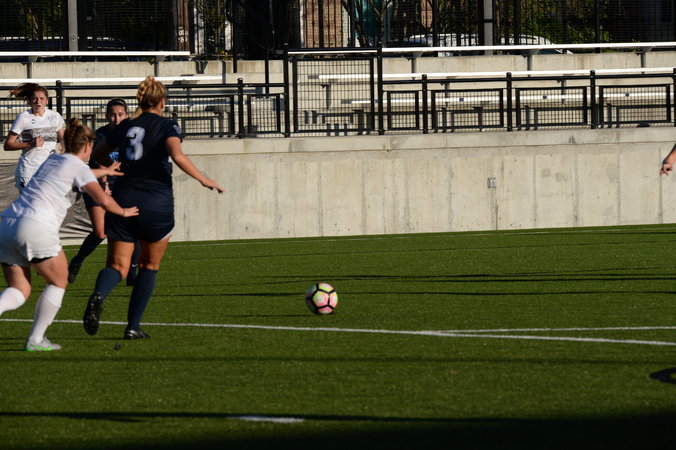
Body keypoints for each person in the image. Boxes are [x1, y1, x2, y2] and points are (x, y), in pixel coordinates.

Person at [83, 76, 224, 340]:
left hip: (123, 200)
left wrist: (111, 169)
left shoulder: (126, 126)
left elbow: (98, 153)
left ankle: (99, 294)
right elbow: (177, 155)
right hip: (156, 203)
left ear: (139, 101)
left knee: (116, 265)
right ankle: (132, 326)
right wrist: (204, 179)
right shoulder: (167, 125)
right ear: (162, 102)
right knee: (149, 265)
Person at [0, 118, 138, 351]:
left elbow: (79, 172)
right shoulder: (79, 168)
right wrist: (124, 212)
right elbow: (103, 200)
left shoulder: (53, 159)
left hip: (7, 224)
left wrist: (105, 170)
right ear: (87, 145)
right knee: (58, 281)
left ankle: (34, 338)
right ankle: (35, 340)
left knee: (20, 290)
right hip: (35, 225)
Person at [68, 99, 141, 285]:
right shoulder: (100, 135)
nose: (116, 119)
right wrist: (105, 184)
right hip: (97, 185)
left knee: (135, 228)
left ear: (126, 115)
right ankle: (77, 261)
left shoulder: (132, 135)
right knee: (100, 233)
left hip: (123, 186)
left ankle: (132, 273)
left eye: (120, 115)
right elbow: (98, 162)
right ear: (107, 116)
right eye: (112, 115)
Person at [3, 83, 66, 192]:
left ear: (47, 100)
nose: (38, 102)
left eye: (41, 98)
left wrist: (64, 154)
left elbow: (64, 140)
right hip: (29, 171)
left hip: (49, 172)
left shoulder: (55, 116)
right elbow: (8, 145)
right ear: (29, 101)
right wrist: (30, 144)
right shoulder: (23, 118)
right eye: (34, 98)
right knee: (31, 203)